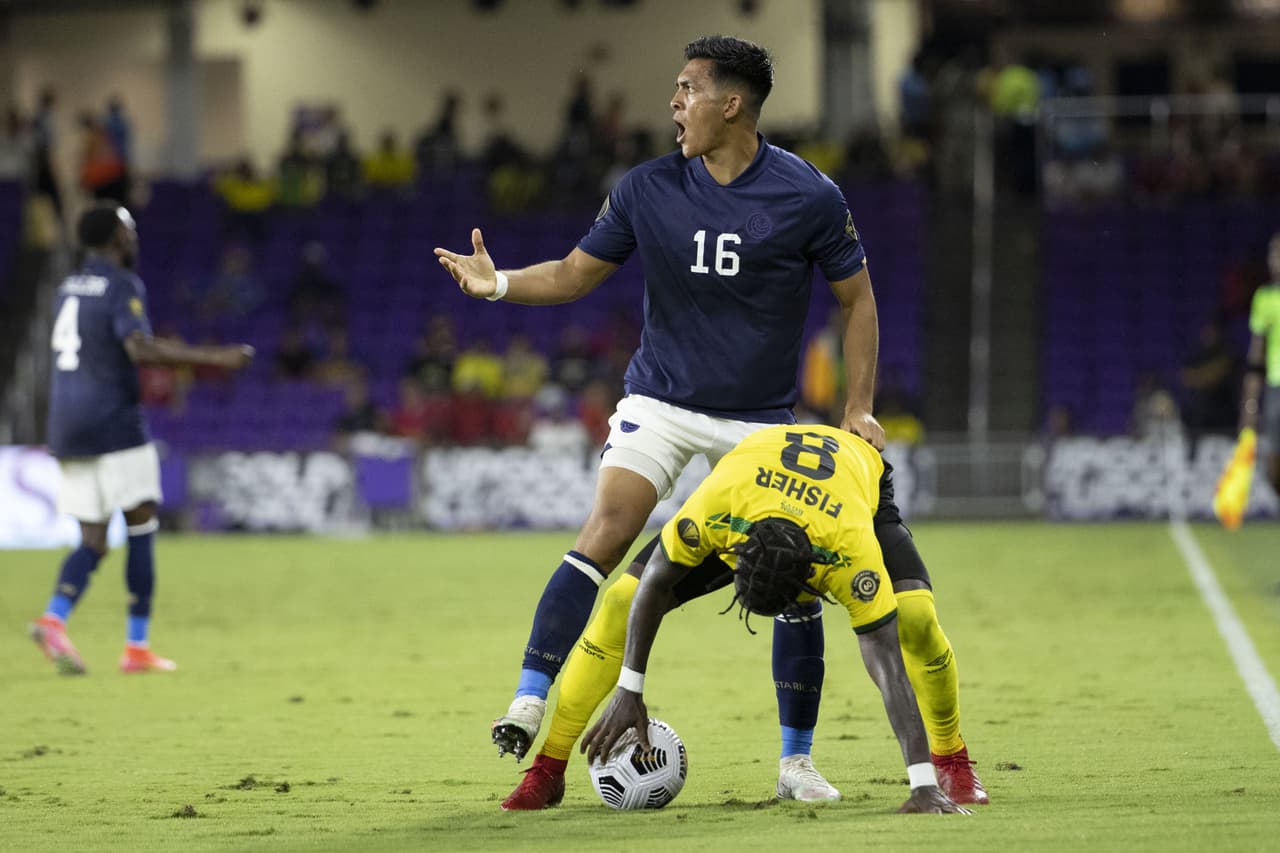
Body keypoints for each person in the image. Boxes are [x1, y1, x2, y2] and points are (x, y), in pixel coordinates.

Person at [434, 35, 985, 808]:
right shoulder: (646, 187)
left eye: (687, 89)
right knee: (609, 526)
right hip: (659, 400)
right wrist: (497, 287)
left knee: (789, 574)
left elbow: (857, 299)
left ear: (732, 103)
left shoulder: (809, 195)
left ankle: (796, 761)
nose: (673, 102)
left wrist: (859, 406)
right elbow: (571, 274)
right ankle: (530, 698)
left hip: (758, 422)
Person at [578, 425, 969, 814]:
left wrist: (922, 784)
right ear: (735, 551)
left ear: (818, 578)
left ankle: (951, 756)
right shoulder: (718, 501)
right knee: (625, 594)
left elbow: (886, 659)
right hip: (760, 462)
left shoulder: (850, 548)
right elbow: (656, 579)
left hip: (856, 467)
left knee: (915, 618)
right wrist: (629, 688)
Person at [29, 202, 254, 675]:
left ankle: (54, 620)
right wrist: (217, 358)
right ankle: (136, 646)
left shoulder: (67, 287)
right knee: (141, 524)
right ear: (114, 236)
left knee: (92, 538)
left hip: (66, 423)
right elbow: (138, 347)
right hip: (112, 421)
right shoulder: (121, 284)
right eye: (129, 229)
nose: (135, 237)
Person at [1239, 232, 1280, 496]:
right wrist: (1249, 406)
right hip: (1276, 389)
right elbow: (1256, 357)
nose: (1276, 260)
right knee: (1273, 461)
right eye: (1273, 253)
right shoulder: (1264, 299)